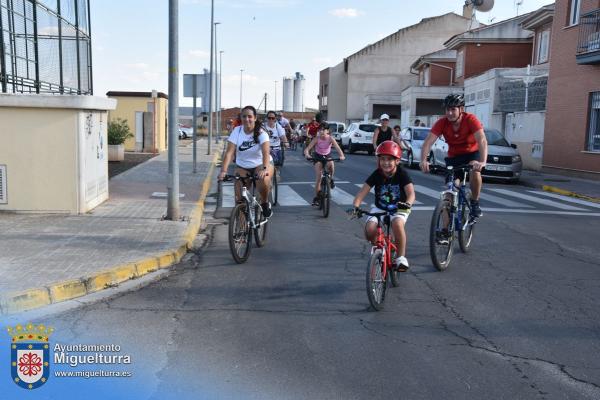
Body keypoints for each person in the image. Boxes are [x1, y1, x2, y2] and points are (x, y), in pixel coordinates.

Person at [419, 93, 487, 218]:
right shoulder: (442, 122)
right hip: (454, 158)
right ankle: (444, 232)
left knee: (475, 171)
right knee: (449, 192)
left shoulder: (471, 120)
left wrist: (482, 161)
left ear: (461, 109)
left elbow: (482, 140)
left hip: (471, 154)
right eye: (447, 109)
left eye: (453, 109)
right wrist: (423, 160)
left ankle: (474, 202)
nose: (449, 113)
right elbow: (428, 142)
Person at [351, 141, 415, 271]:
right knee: (369, 230)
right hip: (380, 207)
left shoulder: (402, 174)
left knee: (397, 224)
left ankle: (400, 257)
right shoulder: (376, 174)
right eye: (382, 159)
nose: (386, 162)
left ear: (397, 160)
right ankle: (379, 250)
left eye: (390, 159)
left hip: (399, 207)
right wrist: (356, 207)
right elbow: (361, 193)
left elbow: (411, 194)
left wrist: (407, 204)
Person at [218, 105, 274, 218]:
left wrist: (264, 168)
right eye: (244, 116)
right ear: (241, 118)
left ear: (255, 118)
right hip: (243, 166)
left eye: (249, 116)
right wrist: (223, 171)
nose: (247, 119)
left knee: (263, 180)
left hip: (260, 164)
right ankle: (241, 229)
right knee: (239, 198)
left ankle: (264, 202)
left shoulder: (261, 133)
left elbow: (265, 153)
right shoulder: (237, 131)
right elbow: (229, 153)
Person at [304, 122, 345, 206]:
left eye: (324, 130)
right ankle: (317, 198)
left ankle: (331, 179)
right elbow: (307, 149)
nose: (321, 132)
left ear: (327, 131)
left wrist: (341, 155)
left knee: (331, 165)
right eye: (320, 130)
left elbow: (337, 148)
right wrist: (307, 154)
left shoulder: (330, 138)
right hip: (318, 156)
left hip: (327, 155)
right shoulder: (316, 138)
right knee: (319, 177)